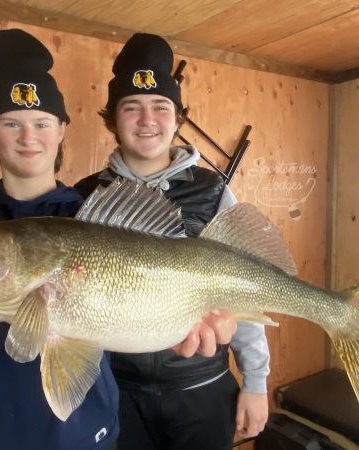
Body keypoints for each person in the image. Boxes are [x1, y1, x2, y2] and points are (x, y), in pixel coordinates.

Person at [0, 29, 234, 450]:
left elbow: (139, 294)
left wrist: (178, 323)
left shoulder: (89, 210)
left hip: (87, 433)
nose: (29, 138)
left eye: (42, 123)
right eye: (11, 123)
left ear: (62, 129)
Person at [75, 33, 270, 450]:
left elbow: (246, 289)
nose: (148, 120)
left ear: (177, 117)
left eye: (161, 107)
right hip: (118, 392)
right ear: (112, 119)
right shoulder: (84, 197)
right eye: (132, 107)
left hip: (203, 388)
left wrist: (256, 382)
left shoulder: (214, 191)